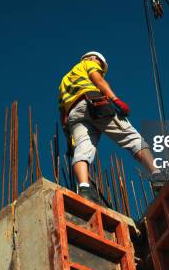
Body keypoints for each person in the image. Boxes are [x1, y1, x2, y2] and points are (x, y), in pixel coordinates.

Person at [58, 51, 162, 204]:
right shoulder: (89, 63)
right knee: (132, 138)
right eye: (101, 65)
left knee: (82, 148)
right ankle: (157, 176)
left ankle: (84, 189)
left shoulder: (64, 80)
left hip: (74, 113)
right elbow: (98, 80)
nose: (100, 68)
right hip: (93, 102)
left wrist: (69, 139)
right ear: (94, 59)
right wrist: (116, 99)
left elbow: (63, 115)